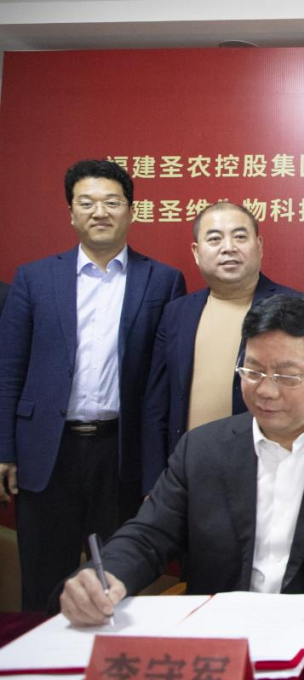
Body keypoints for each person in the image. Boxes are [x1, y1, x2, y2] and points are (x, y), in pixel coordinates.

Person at [59, 295, 304, 630]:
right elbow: (148, 536)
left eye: (287, 376)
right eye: (252, 371)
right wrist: (106, 577)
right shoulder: (202, 448)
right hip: (221, 638)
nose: (265, 390)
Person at [0, 159, 186, 611]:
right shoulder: (34, 278)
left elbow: (166, 383)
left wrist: (158, 466)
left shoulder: (162, 280)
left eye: (111, 202)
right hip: (48, 451)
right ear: (71, 213)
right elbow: (9, 368)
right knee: (43, 581)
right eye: (86, 203)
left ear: (131, 211)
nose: (99, 212)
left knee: (117, 581)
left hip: (121, 452)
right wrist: (5, 450)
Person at [142, 202, 303, 488]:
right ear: (196, 252)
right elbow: (157, 404)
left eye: (240, 237)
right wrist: (153, 485)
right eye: (215, 239)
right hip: (187, 473)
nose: (228, 247)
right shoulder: (177, 312)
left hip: (269, 475)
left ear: (259, 246)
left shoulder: (297, 308)